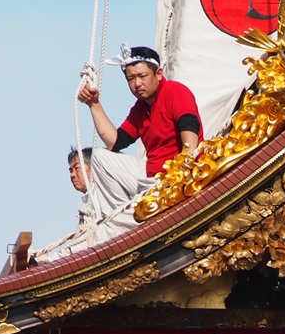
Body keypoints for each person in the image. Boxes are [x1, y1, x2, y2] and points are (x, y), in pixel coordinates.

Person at [77, 45, 203, 214]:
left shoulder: (174, 91)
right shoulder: (140, 109)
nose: (137, 84)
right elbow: (115, 142)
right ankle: (120, 215)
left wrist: (185, 165)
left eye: (142, 76)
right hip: (153, 180)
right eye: (131, 78)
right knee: (99, 157)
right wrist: (93, 104)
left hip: (180, 174)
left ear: (158, 74)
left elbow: (188, 125)